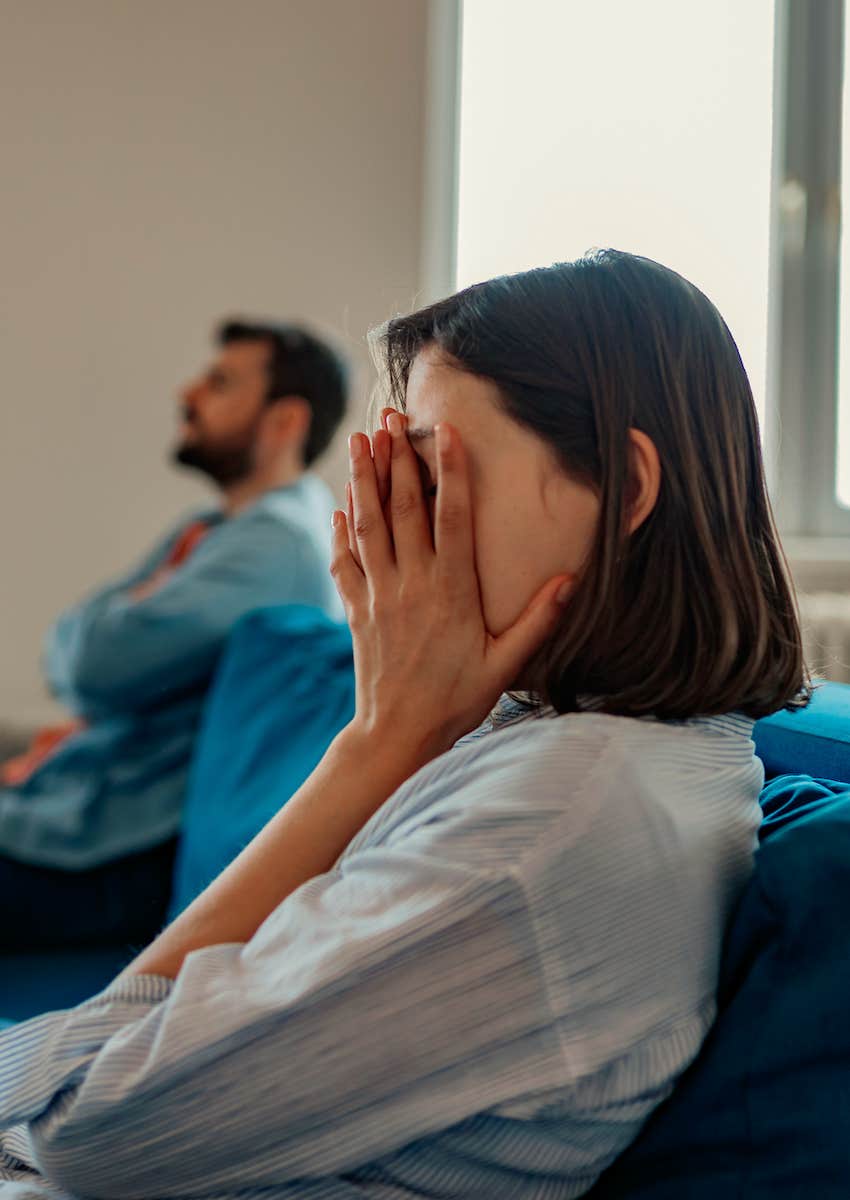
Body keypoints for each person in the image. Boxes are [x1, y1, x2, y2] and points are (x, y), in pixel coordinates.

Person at [0, 252, 806, 1199]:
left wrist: (377, 746)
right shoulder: (562, 745)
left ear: (625, 491)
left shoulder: (550, 827)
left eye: (428, 476)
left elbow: (81, 1126)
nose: (391, 530)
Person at [0, 319, 347, 951]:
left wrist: (105, 636)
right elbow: (71, 649)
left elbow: (91, 666)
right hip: (81, 812)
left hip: (110, 850)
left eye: (220, 382)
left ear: (284, 421)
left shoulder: (277, 545)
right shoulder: (214, 529)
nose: (188, 393)